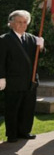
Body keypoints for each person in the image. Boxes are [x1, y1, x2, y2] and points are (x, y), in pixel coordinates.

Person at [0, 10, 43, 142]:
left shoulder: (31, 38)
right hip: (13, 81)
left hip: (30, 80)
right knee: (12, 109)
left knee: (28, 108)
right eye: (19, 22)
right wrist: (1, 78)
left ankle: (24, 131)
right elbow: (1, 60)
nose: (22, 25)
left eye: (25, 22)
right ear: (11, 23)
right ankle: (12, 134)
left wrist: (41, 47)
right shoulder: (4, 39)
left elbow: (38, 58)